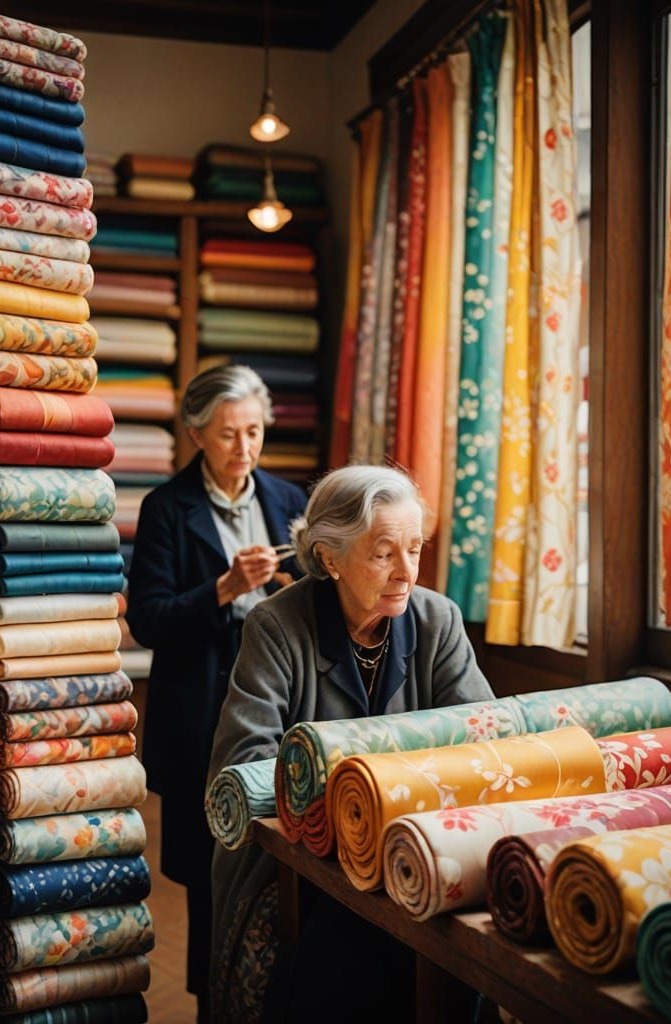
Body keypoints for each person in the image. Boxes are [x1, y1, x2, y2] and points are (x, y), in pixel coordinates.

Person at [206, 464, 495, 1022]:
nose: (407, 571)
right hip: (302, 859)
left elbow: (484, 742)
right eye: (384, 552)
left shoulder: (438, 620)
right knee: (346, 952)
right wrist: (358, 800)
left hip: (417, 843)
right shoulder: (276, 626)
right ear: (330, 557)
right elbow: (242, 763)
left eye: (415, 548)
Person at [126, 364, 308, 1022]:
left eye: (254, 432)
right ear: (197, 434)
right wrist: (225, 590)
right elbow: (148, 619)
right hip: (200, 714)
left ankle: (273, 997)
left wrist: (285, 591)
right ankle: (213, 1005)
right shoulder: (167, 508)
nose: (244, 448)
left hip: (283, 708)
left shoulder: (288, 500)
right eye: (228, 434)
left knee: (286, 864)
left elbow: (317, 601)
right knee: (210, 879)